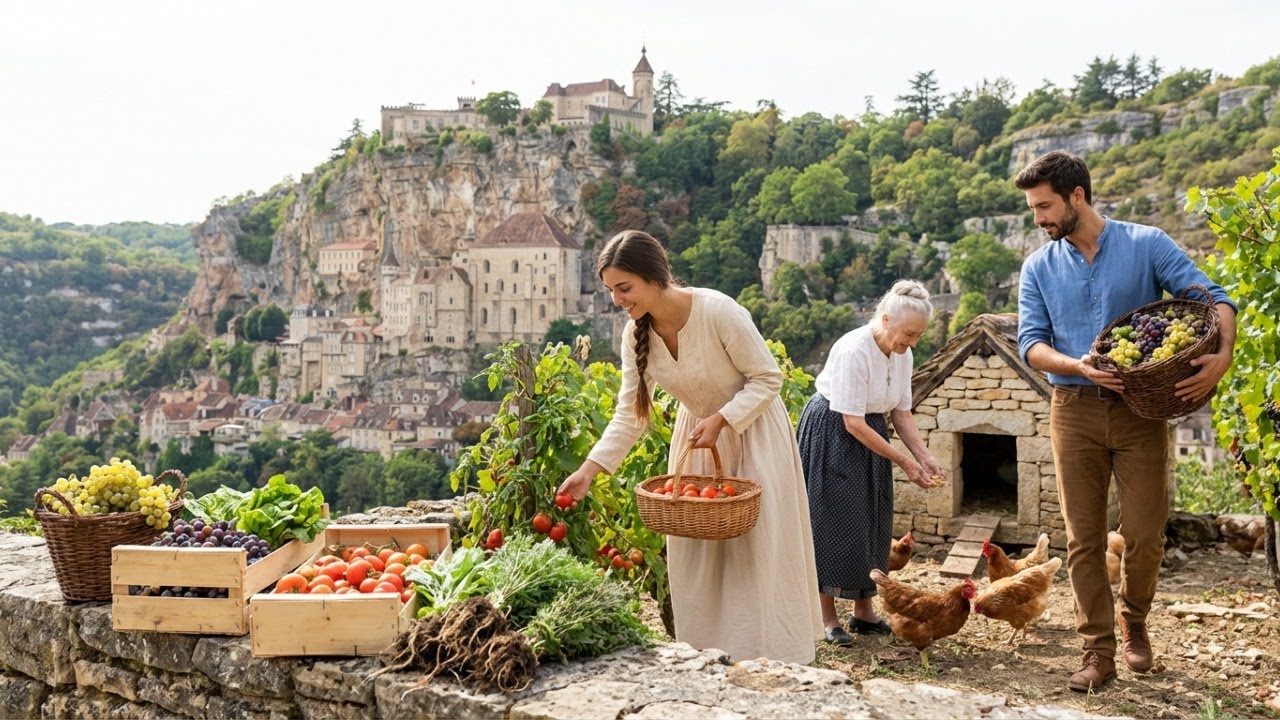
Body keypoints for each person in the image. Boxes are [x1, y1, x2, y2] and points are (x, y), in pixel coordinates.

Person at [1015, 151, 1237, 692]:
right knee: (1083, 540)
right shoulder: (1038, 266)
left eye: (1045, 206)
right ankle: (1097, 651)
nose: (1039, 219)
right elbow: (1030, 345)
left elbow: (1213, 299)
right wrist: (1077, 365)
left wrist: (1223, 353)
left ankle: (1133, 620)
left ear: (1077, 196)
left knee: (1144, 534)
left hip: (1142, 411)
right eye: (1033, 209)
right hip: (1074, 411)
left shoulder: (1147, 244)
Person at [556, 230, 824, 664]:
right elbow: (632, 414)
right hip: (698, 444)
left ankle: (772, 660)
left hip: (752, 434)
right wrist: (590, 468)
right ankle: (709, 659)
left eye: (625, 288)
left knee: (755, 553)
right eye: (611, 291)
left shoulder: (719, 312)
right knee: (700, 557)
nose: (618, 300)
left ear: (655, 276)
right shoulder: (634, 335)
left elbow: (769, 379)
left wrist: (722, 419)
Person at [796, 280, 944, 647]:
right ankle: (826, 618)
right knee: (830, 520)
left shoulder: (904, 354)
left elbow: (902, 411)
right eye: (908, 333)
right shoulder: (854, 350)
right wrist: (906, 463)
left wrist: (924, 456)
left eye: (918, 335)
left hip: (871, 432)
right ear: (885, 319)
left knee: (871, 519)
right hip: (834, 430)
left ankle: (864, 612)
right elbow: (852, 421)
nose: (912, 342)